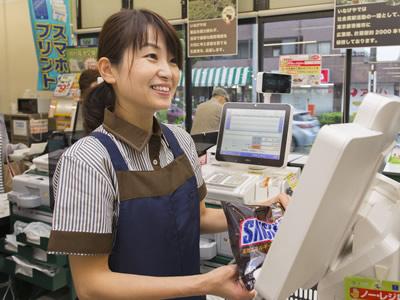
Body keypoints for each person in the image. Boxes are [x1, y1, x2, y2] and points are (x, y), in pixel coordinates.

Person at [48, 9, 289, 300]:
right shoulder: (87, 160)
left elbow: (197, 217)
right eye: (151, 56)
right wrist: (204, 283)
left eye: (172, 60)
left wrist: (262, 213)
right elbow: (91, 286)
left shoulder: (180, 140)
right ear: (108, 69)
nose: (168, 71)